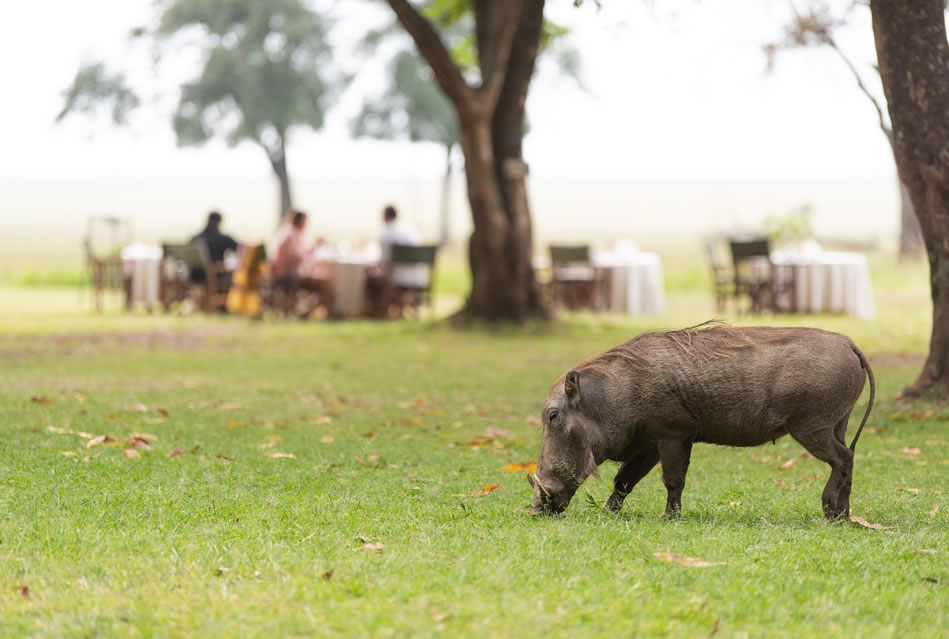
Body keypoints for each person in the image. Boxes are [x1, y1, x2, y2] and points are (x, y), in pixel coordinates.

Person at [378, 205, 425, 289]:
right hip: (418, 279)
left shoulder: (386, 234)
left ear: (385, 217)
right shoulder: (410, 230)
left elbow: (384, 262)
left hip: (397, 279)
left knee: (373, 282)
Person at [189, 211, 238, 283]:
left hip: (195, 276)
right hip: (216, 277)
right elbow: (239, 249)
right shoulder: (224, 239)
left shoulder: (195, 238)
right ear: (220, 221)